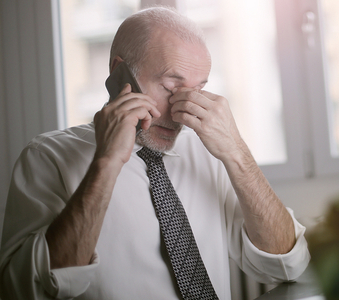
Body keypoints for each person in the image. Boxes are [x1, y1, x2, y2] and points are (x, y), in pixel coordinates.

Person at [0, 7, 310, 300]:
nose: (181, 111)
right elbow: (24, 290)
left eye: (197, 89)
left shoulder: (209, 152)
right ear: (119, 72)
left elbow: (287, 263)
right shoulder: (47, 157)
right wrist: (106, 164)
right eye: (170, 87)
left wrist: (237, 153)